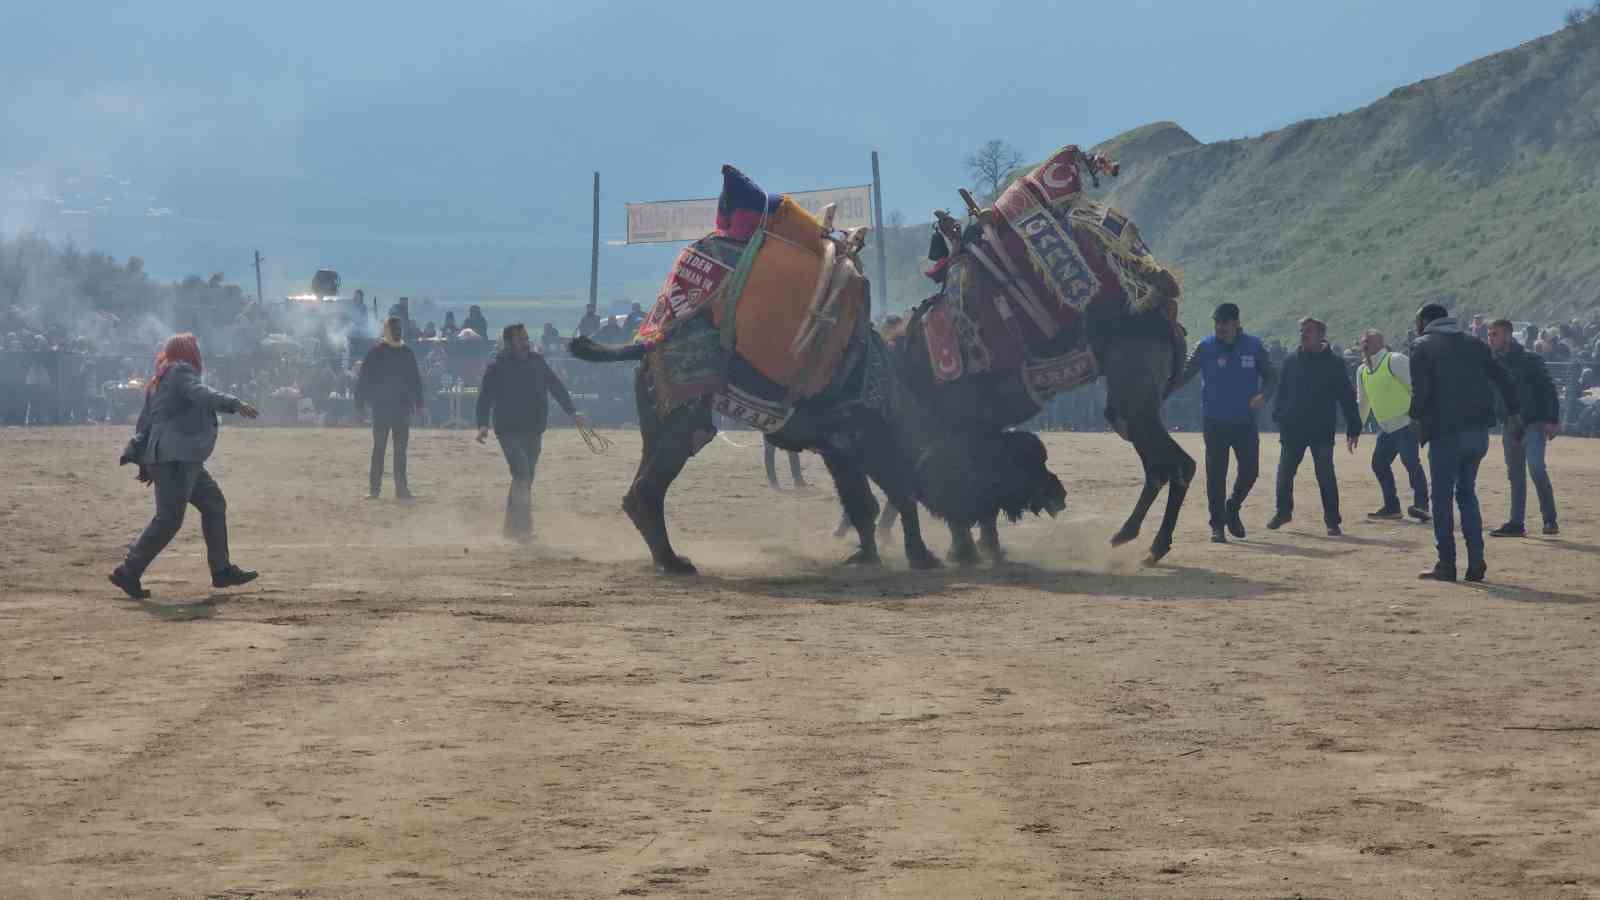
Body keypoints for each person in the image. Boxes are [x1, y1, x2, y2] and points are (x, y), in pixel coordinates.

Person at [109, 333, 260, 600]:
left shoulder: (160, 378)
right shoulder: (180, 371)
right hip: (177, 457)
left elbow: (145, 422)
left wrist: (146, 459)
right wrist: (234, 404)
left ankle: (222, 569)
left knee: (213, 504)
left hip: (178, 457)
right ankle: (128, 571)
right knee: (168, 519)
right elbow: (200, 393)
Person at [1408, 304, 1522, 582]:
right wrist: (1514, 411)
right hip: (1477, 432)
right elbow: (1503, 377)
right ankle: (1476, 560)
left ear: (1424, 321)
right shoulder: (1475, 343)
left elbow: (1421, 391)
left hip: (1446, 432)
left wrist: (1414, 418)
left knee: (1442, 499)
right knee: (1467, 493)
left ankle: (1446, 565)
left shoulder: (1422, 346)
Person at [475, 323, 585, 541]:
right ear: (508, 343)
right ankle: (524, 530)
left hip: (534, 429)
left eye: (526, 339)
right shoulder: (497, 366)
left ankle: (510, 529)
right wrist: (482, 425)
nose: (526, 343)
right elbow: (484, 397)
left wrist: (573, 412)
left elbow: (555, 386)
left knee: (524, 479)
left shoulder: (537, 362)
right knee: (522, 475)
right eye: (521, 340)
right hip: (508, 430)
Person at [1180, 302, 1277, 544]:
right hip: (1214, 421)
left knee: (1250, 471)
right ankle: (1217, 525)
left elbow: (1272, 377)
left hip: (1244, 421)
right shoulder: (1204, 346)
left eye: (1224, 322)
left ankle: (1232, 506)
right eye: (1216, 322)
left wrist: (1264, 395)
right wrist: (1160, 387)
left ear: (1235, 322)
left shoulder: (1254, 347)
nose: (1219, 327)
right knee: (1216, 475)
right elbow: (1184, 373)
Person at [1268, 317, 1361, 535]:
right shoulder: (1291, 360)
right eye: (1302, 330)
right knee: (1284, 474)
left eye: (1308, 331)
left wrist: (1353, 427)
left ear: (1321, 335)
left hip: (1321, 429)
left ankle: (1332, 521)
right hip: (1293, 429)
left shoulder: (1335, 363)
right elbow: (1282, 391)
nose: (1303, 334)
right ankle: (1283, 512)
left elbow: (1347, 397)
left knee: (1325, 476)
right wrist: (1278, 415)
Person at [1486, 319, 1562, 537]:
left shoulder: (1530, 359)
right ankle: (1517, 523)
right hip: (1510, 424)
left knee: (1536, 468)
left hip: (1534, 422)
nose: (1491, 338)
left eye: (1495, 334)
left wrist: (1553, 420)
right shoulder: (1491, 363)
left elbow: (1548, 388)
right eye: (1490, 334)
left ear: (1508, 336)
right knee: (1515, 475)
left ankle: (1550, 519)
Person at [1355, 329, 1429, 522]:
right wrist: (1356, 428)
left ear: (1379, 343)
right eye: (1362, 343)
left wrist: (1418, 417)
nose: (1362, 346)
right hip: (1386, 428)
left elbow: (1415, 387)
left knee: (1411, 463)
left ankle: (1422, 506)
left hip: (1406, 424)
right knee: (1379, 464)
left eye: (1366, 342)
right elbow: (1363, 402)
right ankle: (1392, 507)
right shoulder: (1362, 370)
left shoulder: (1395, 360)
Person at [355, 316, 424, 500]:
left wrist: (419, 403)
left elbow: (415, 379)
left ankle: (401, 489)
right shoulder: (376, 352)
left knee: (400, 451)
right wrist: (360, 404)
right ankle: (374, 489)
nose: (397, 331)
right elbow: (363, 379)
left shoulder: (407, 352)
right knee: (379, 449)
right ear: (387, 330)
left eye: (399, 327)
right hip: (381, 409)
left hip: (402, 409)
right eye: (393, 328)